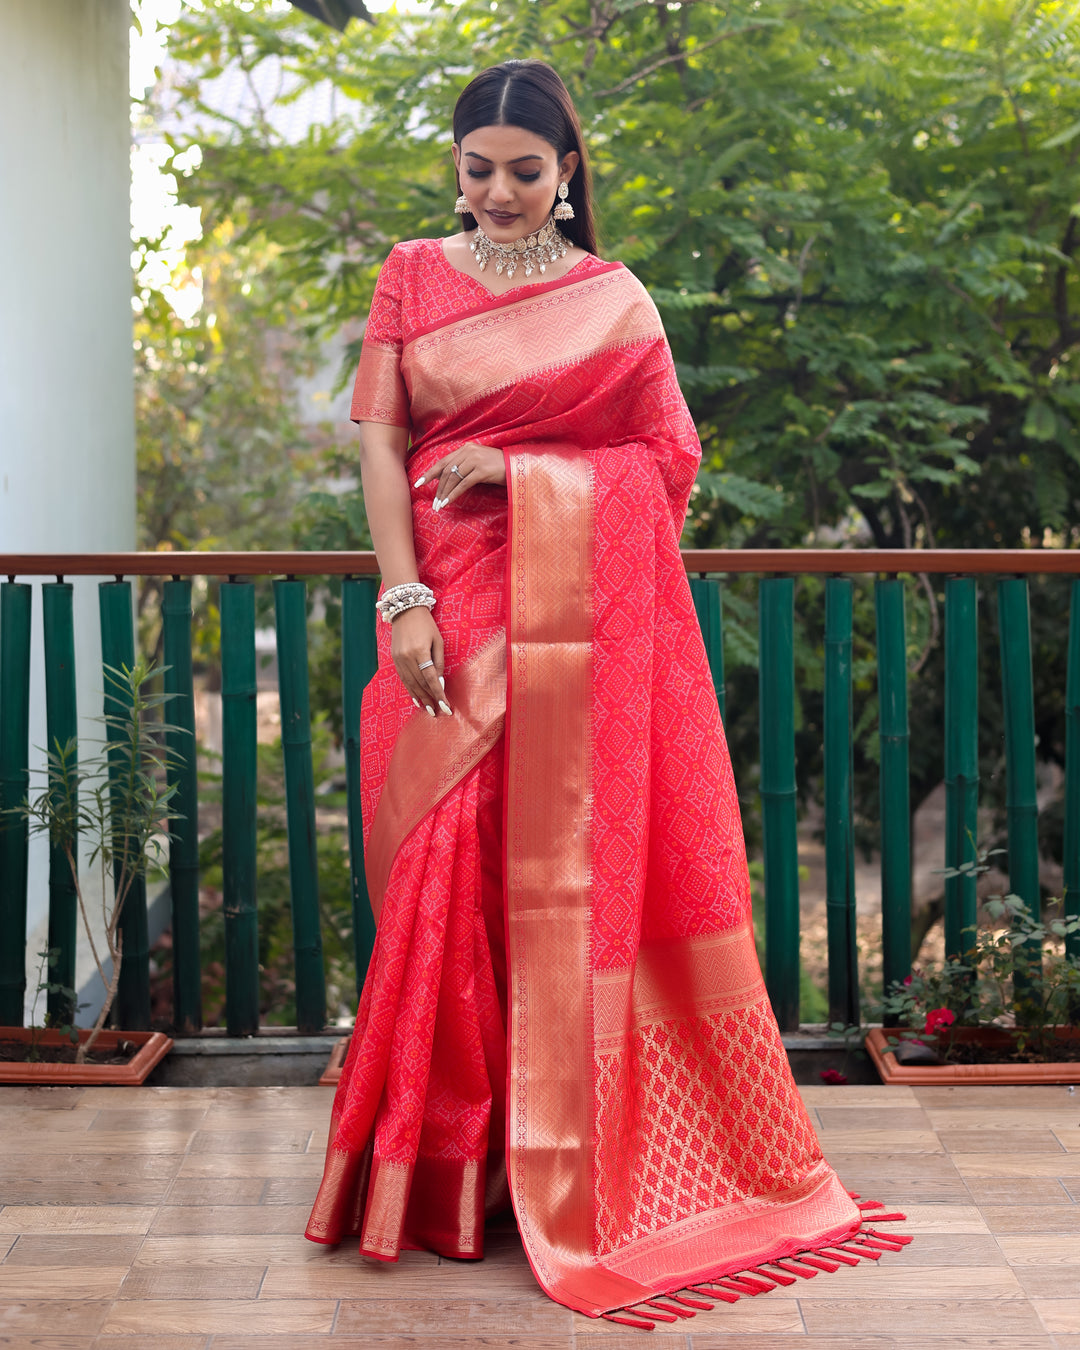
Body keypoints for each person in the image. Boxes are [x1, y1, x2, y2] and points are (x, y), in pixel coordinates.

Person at [305, 58, 906, 1328]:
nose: (500, 194)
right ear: (455, 168)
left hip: (571, 598)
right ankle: (439, 1180)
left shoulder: (612, 299)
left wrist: (519, 464)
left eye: (527, 171)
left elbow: (664, 458)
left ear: (569, 170)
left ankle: (563, 1161)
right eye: (479, 171)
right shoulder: (414, 272)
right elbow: (378, 436)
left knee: (560, 869)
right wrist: (401, 598)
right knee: (446, 858)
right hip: (449, 596)